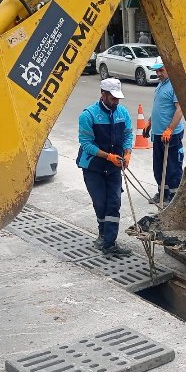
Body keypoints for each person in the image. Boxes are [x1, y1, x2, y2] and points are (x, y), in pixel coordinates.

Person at [76, 78, 134, 256]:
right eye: (113, 98)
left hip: (115, 166)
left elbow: (128, 134)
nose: (116, 101)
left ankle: (109, 243)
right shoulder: (89, 116)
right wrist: (107, 156)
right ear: (103, 94)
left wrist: (127, 151)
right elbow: (86, 144)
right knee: (100, 203)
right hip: (94, 167)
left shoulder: (122, 113)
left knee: (114, 203)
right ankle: (103, 233)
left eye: (118, 98)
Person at [144, 57, 184, 204]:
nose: (158, 73)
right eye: (157, 70)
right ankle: (162, 193)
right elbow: (158, 108)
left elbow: (180, 110)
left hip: (170, 135)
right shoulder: (161, 85)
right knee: (159, 167)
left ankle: (173, 198)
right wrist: (149, 122)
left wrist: (170, 129)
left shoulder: (174, 85)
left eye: (161, 70)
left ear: (169, 69)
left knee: (172, 167)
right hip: (158, 134)